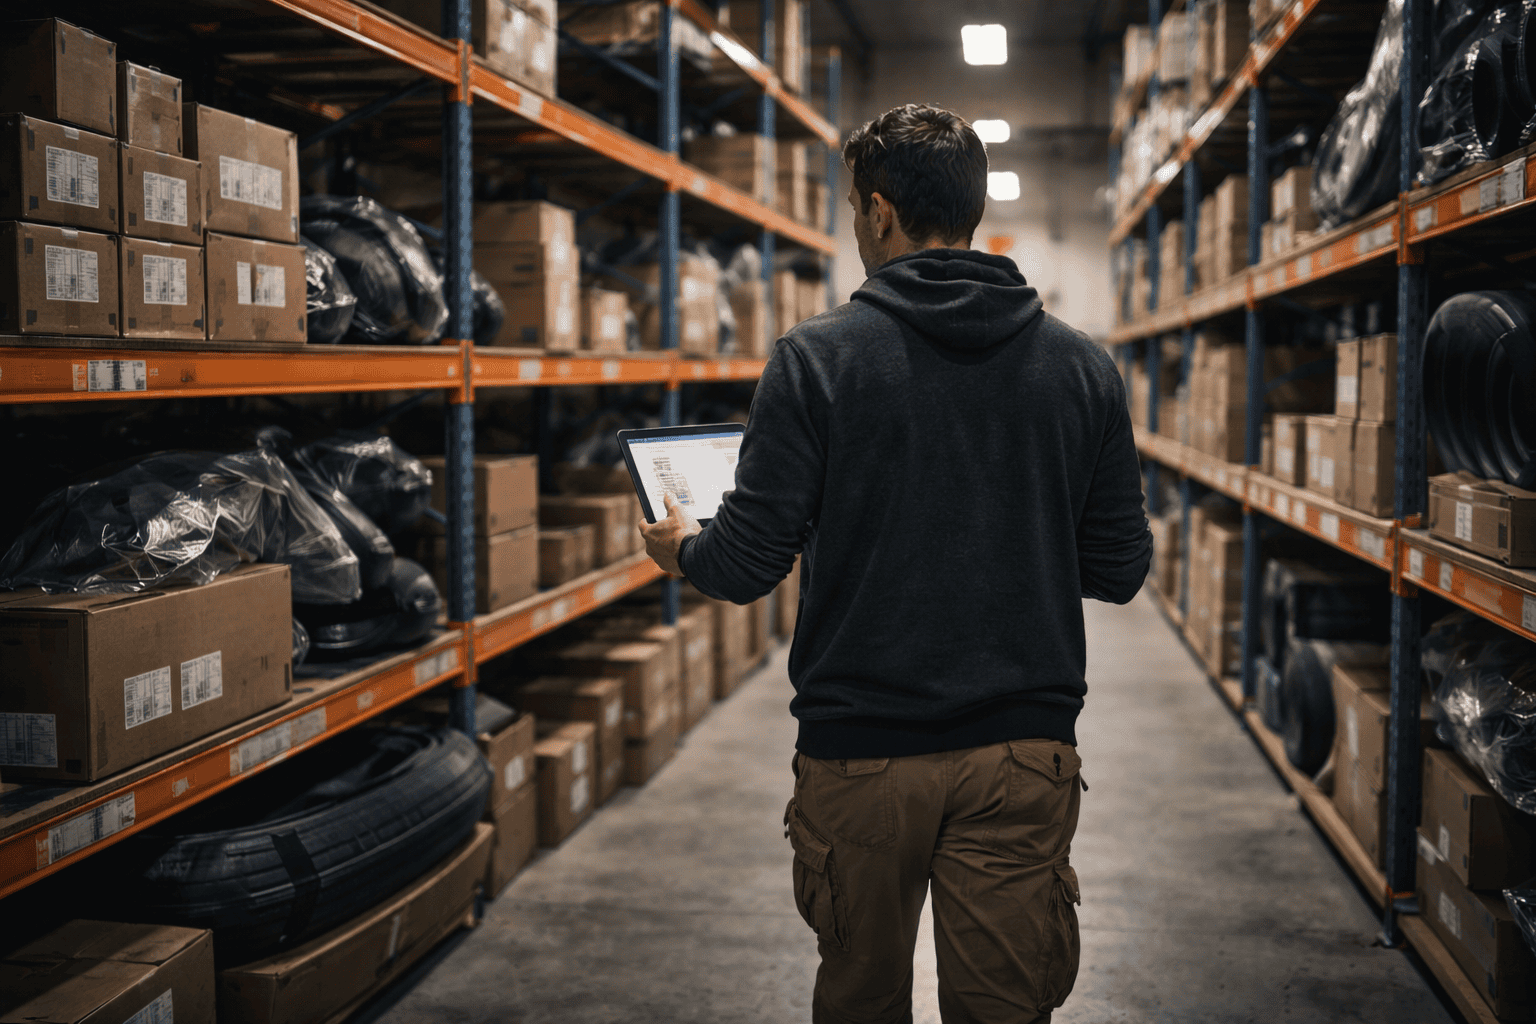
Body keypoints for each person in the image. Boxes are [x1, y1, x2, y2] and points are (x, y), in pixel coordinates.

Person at [639, 102, 1152, 1024]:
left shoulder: (816, 361)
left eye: (849, 206)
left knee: (862, 1000)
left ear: (879, 211)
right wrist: (1013, 530)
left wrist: (683, 551)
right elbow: (1119, 566)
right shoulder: (1083, 368)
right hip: (1021, 754)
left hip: (862, 755)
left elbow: (748, 560)